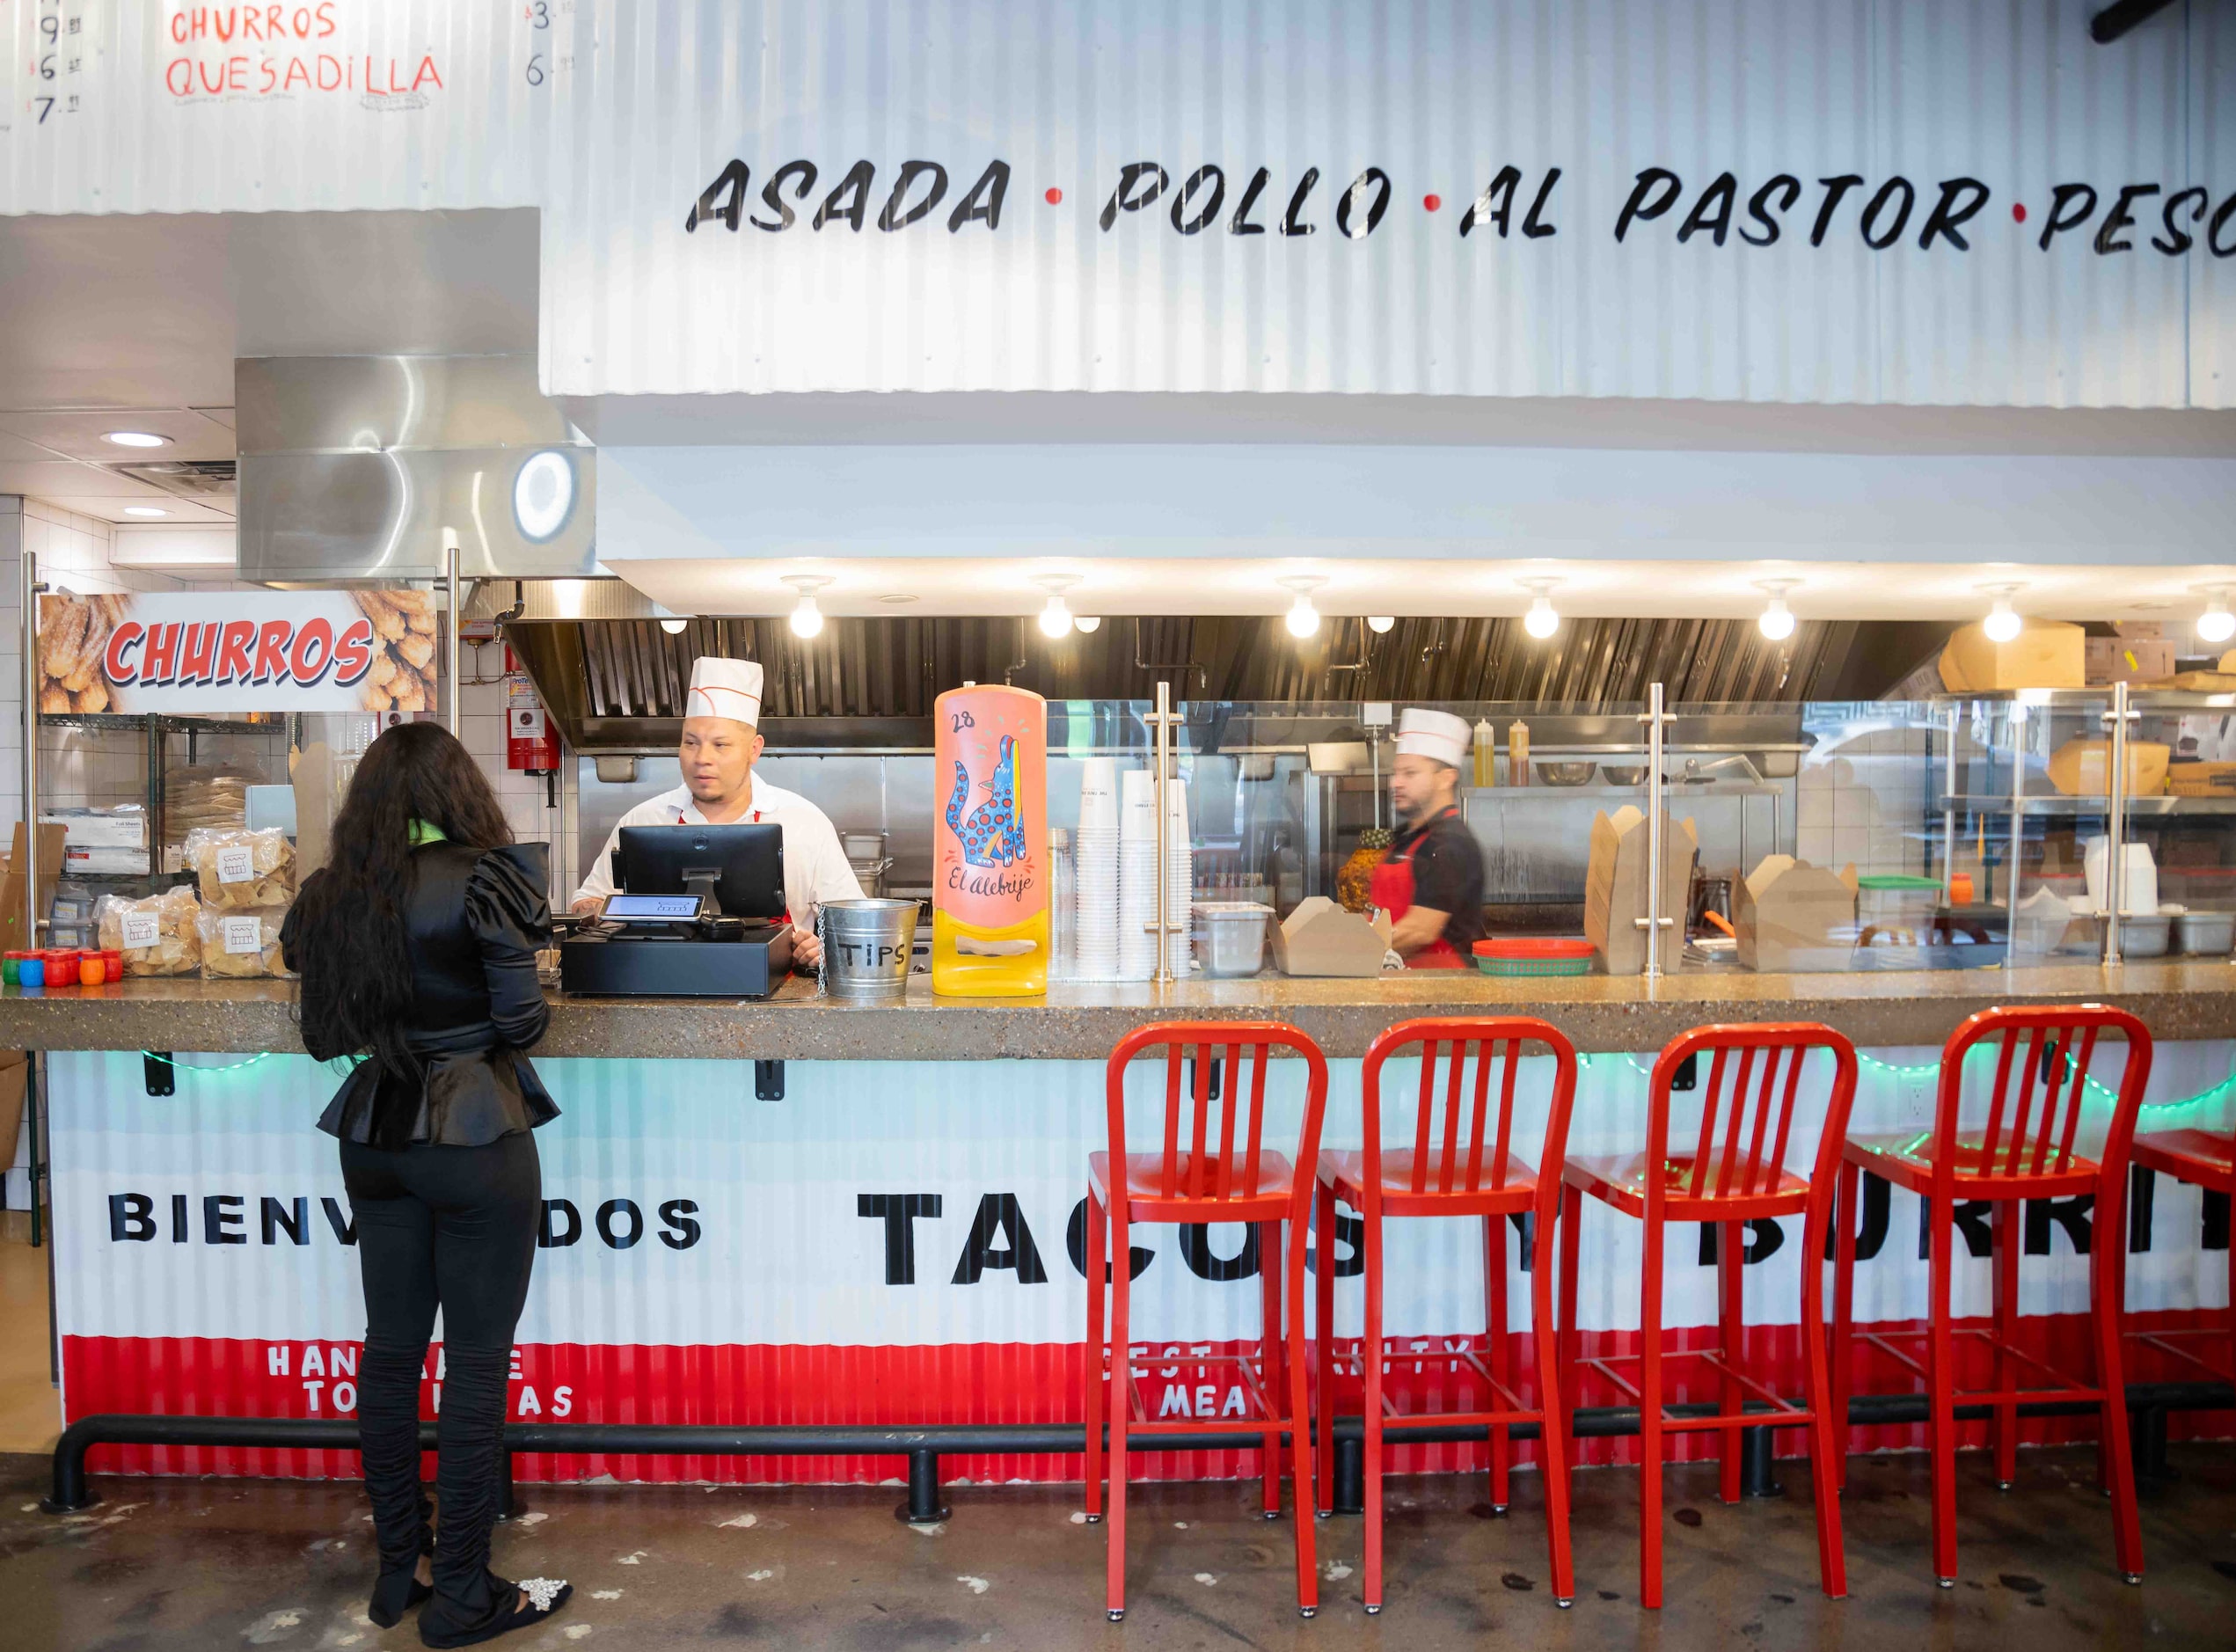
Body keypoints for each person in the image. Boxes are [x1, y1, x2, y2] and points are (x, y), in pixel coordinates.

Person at [281, 722, 573, 1648]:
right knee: (476, 1363)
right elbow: (521, 1028)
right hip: (476, 1133)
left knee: (390, 1354)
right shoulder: (490, 875)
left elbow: (323, 1030)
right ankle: (462, 1598)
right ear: (459, 793)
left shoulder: (335, 893)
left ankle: (395, 1571)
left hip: (373, 1134)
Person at [570, 656, 863, 967]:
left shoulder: (804, 822)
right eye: (690, 743)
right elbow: (583, 905)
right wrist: (611, 911)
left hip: (776, 1001)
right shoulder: (643, 820)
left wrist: (821, 948)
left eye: (721, 745)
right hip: (660, 987)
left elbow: (854, 923)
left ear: (754, 750)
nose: (702, 758)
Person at [1376, 708, 1487, 968]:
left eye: (1410, 773)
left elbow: (1419, 931)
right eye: (1396, 773)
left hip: (1441, 991)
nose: (1396, 783)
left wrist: (1346, 951)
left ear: (1445, 778)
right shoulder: (1405, 838)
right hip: (1399, 986)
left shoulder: (1450, 844)